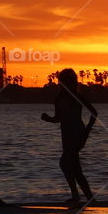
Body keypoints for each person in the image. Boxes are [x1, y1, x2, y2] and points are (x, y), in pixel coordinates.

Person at [41, 68, 97, 205]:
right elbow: (58, 118)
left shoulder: (77, 97)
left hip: (77, 133)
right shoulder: (59, 98)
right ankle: (88, 198)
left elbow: (94, 113)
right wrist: (48, 119)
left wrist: (87, 131)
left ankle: (79, 196)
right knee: (74, 167)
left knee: (65, 163)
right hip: (65, 133)